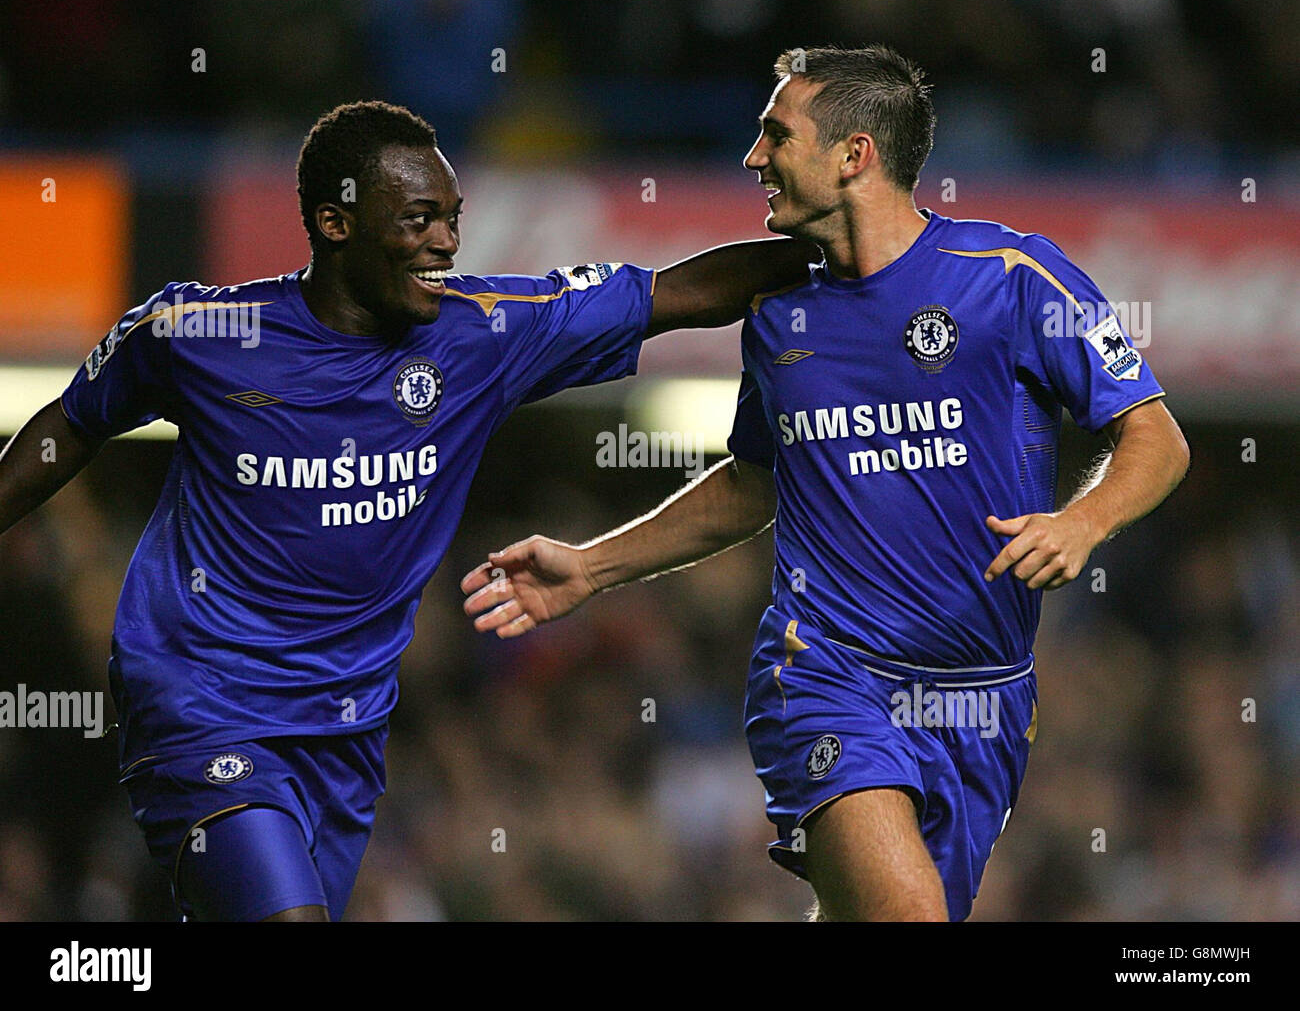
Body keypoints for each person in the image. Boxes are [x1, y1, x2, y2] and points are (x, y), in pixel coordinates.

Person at [0, 100, 816, 922]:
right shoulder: (204, 335)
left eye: (453, 220)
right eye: (420, 219)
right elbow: (72, 423)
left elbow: (683, 293)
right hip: (203, 705)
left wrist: (852, 255)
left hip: (346, 734)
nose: (448, 242)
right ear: (335, 223)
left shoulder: (484, 334)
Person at [460, 47, 1190, 922]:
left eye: (776, 134)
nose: (753, 157)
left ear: (854, 155)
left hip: (988, 698)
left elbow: (1156, 436)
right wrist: (594, 567)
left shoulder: (1014, 280)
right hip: (826, 671)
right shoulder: (778, 315)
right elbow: (759, 482)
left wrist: (1083, 521)